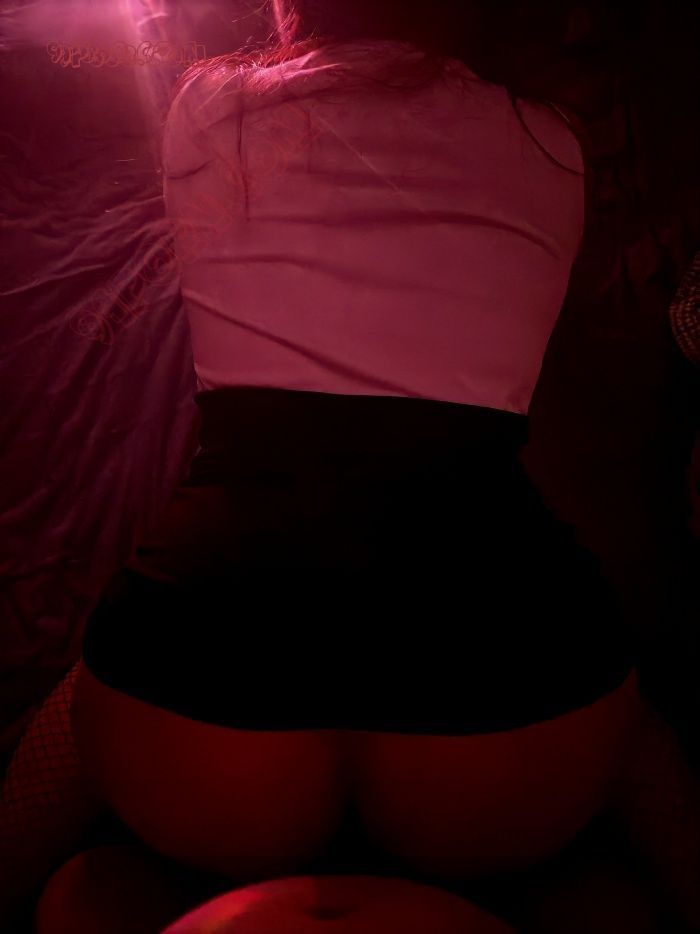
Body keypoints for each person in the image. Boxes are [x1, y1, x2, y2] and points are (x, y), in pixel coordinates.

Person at [2, 2, 699, 931]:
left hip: (202, 698)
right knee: (634, 744)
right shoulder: (554, 143)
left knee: (76, 784)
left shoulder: (205, 109)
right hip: (509, 703)